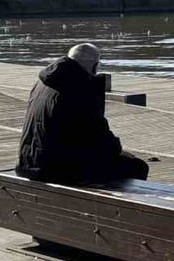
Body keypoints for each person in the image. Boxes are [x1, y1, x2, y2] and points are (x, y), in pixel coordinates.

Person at [16, 43, 150, 184]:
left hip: (29, 160)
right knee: (138, 166)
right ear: (94, 65)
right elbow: (97, 134)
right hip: (55, 168)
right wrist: (118, 150)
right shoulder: (79, 88)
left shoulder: (42, 83)